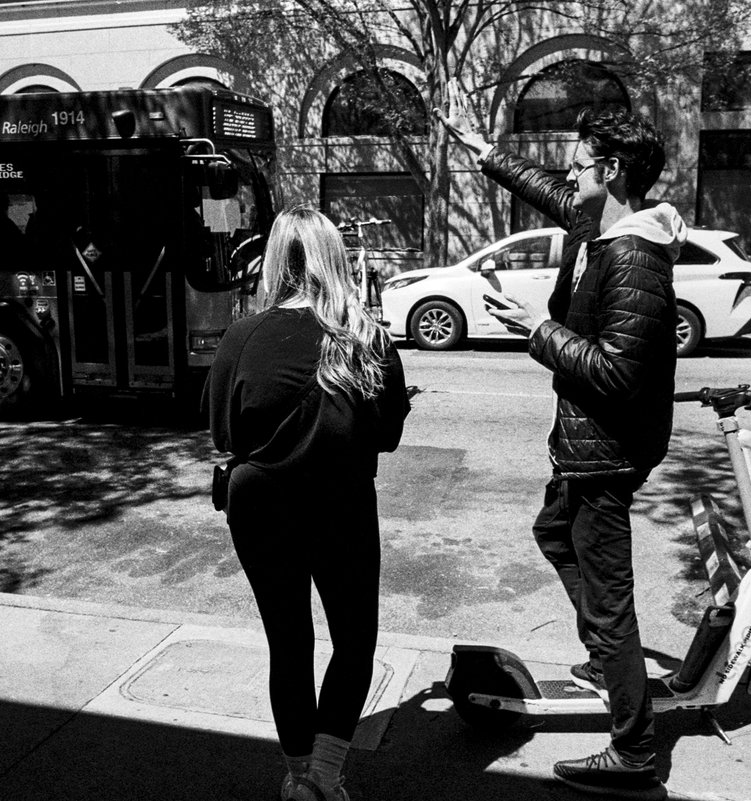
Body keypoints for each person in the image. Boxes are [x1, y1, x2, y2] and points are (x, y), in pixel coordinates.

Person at [436, 90, 685, 801]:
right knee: (554, 532)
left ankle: (635, 749)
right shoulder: (594, 222)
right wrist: (483, 151)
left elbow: (618, 371)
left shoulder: (635, 256)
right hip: (585, 443)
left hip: (607, 450)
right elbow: (544, 188)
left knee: (610, 602)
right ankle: (614, 661)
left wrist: (534, 330)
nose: (568, 174)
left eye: (579, 165)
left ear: (610, 170)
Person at [206, 206, 410, 801]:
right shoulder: (365, 334)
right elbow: (387, 435)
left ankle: (298, 777)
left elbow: (223, 433)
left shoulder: (243, 335)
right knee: (354, 643)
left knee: (288, 642)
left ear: (274, 260)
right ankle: (325, 776)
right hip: (340, 505)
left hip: (260, 503)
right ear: (334, 258)